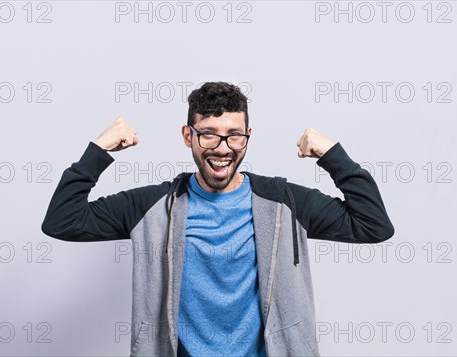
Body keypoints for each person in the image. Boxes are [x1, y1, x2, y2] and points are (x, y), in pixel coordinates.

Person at [41, 82, 394, 356]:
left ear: (248, 138)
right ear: (188, 136)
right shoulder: (151, 206)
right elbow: (62, 219)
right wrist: (98, 150)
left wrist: (333, 155)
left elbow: (373, 225)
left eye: (234, 136)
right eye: (208, 134)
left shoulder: (285, 202)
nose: (222, 148)